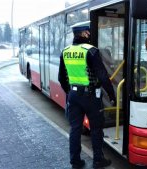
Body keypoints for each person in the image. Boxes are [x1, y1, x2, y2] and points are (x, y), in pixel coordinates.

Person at [58, 26, 116, 169]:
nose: (89, 34)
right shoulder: (91, 50)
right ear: (83, 33)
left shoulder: (65, 52)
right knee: (96, 129)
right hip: (91, 96)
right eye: (88, 32)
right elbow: (102, 75)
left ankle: (75, 162)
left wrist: (70, 92)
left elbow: (61, 78)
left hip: (73, 95)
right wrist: (111, 94)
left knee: (75, 129)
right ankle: (98, 160)